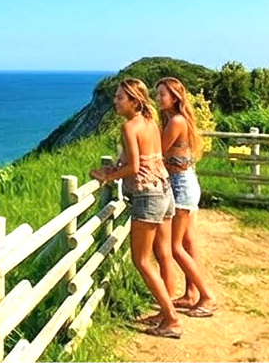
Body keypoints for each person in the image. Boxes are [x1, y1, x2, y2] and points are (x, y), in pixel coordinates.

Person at [89, 78, 183, 339]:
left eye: (120, 98)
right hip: (164, 189)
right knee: (162, 253)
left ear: (134, 101)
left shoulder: (129, 126)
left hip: (147, 194)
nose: (115, 101)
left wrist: (107, 176)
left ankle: (172, 320)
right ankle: (167, 311)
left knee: (141, 260)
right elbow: (145, 158)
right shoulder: (151, 122)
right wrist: (116, 168)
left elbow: (133, 168)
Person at [156, 77, 218, 317]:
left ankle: (207, 296)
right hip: (186, 182)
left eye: (163, 94)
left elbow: (157, 151)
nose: (158, 98)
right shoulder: (177, 119)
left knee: (175, 246)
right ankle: (192, 293)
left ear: (175, 97)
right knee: (188, 241)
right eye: (157, 93)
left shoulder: (176, 121)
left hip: (182, 186)